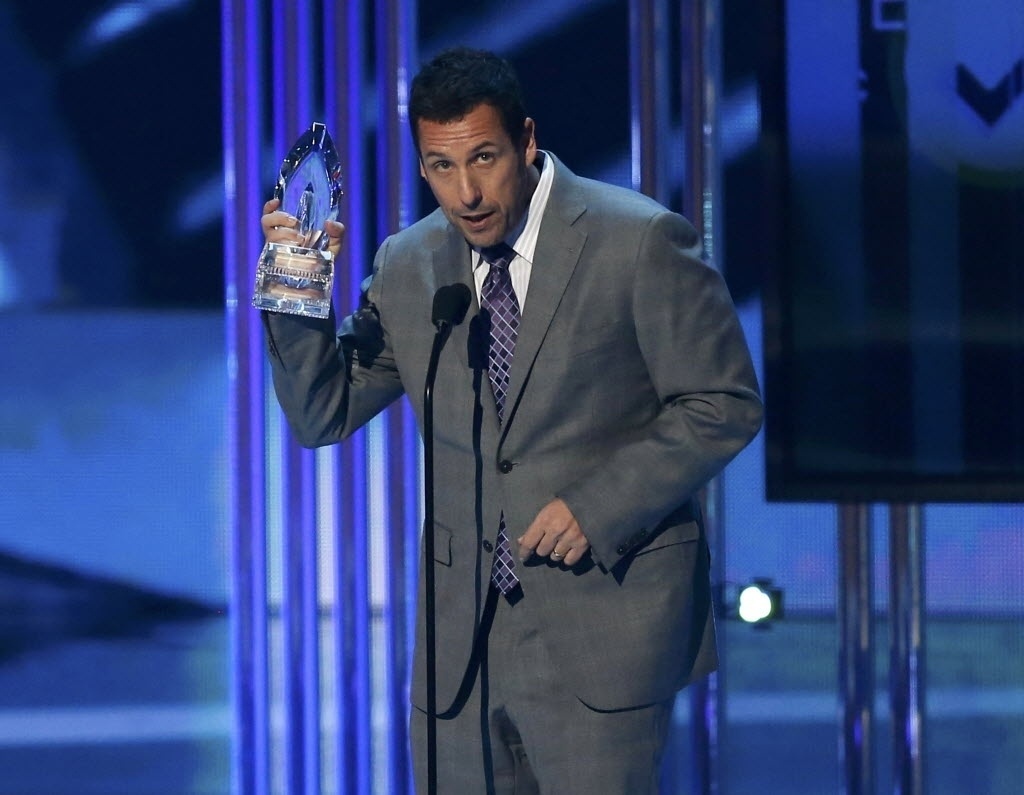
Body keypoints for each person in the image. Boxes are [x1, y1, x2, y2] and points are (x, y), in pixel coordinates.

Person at [260, 47, 762, 795]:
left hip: (599, 622)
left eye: (485, 159)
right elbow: (322, 412)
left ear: (526, 139)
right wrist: (296, 287)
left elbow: (722, 402)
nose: (466, 193)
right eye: (440, 168)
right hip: (458, 645)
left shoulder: (640, 242)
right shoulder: (408, 263)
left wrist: (599, 505)